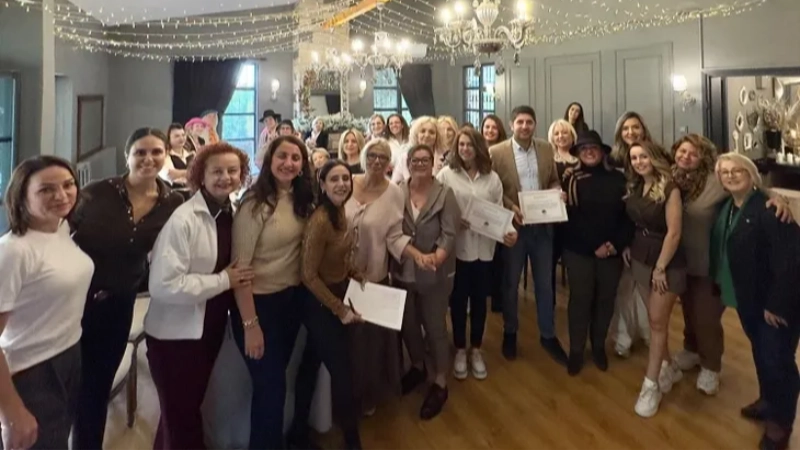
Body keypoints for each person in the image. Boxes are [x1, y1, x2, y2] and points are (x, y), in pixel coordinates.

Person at [71, 128, 184, 450]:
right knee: (64, 387)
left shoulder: (172, 202)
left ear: (166, 155)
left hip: (119, 304)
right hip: (75, 301)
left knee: (97, 387)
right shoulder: (96, 193)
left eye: (156, 152)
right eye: (140, 152)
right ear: (127, 156)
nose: (148, 159)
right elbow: (60, 230)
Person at [144, 143, 254, 450]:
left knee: (180, 411)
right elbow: (163, 285)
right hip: (174, 336)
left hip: (208, 328)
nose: (225, 177)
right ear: (200, 176)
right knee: (182, 415)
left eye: (232, 171)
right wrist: (223, 280)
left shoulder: (229, 212)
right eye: (216, 171)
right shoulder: (184, 220)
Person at [0, 156, 94, 450]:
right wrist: (11, 412)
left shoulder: (60, 230)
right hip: (31, 370)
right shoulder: (14, 251)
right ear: (22, 196)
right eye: (46, 190)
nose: (62, 195)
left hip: (68, 353)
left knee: (56, 439)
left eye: (68, 185)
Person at [710, 153, 800, 450]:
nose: (731, 175)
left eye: (738, 170)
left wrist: (777, 304)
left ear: (752, 175)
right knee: (761, 353)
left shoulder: (771, 210)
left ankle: (780, 425)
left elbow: (792, 260)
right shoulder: (727, 207)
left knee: (778, 361)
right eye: (725, 172)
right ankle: (767, 401)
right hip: (747, 299)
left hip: (775, 304)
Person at [231, 135, 315, 450]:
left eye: (295, 158)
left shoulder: (301, 198)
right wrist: (250, 325)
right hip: (258, 306)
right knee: (271, 389)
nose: (288, 163)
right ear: (269, 160)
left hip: (289, 303)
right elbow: (240, 270)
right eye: (282, 156)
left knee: (276, 384)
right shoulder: (255, 204)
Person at [345, 139, 428, 416]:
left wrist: (417, 255)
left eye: (383, 156)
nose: (377, 160)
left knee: (367, 345)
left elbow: (394, 235)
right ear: (364, 156)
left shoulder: (394, 193)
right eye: (372, 155)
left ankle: (367, 395)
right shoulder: (347, 182)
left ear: (390, 162)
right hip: (338, 277)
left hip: (372, 277)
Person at [436, 128, 517, 381]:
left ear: (479, 147)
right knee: (459, 300)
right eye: (461, 144)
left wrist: (510, 232)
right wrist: (453, 221)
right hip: (458, 249)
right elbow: (437, 208)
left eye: (470, 145)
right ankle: (460, 349)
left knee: (481, 301)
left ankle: (477, 349)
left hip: (485, 249)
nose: (465, 149)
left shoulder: (491, 178)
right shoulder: (446, 175)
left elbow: (500, 211)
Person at [489, 105, 566, 364]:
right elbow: (494, 189)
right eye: (520, 122)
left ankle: (548, 334)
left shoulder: (545, 148)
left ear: (535, 124)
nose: (524, 126)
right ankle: (510, 332)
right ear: (512, 125)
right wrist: (511, 207)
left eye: (529, 122)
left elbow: (553, 179)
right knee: (510, 283)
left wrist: (556, 191)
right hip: (514, 227)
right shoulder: (496, 152)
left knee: (544, 284)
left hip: (542, 228)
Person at [295, 160, 363, 450]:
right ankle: (352, 441)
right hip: (319, 303)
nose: (342, 184)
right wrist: (339, 308)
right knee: (343, 374)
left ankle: (297, 431)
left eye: (346, 178)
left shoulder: (341, 211)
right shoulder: (320, 220)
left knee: (310, 366)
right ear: (322, 185)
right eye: (334, 179)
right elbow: (308, 275)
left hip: (335, 294)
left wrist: (352, 272)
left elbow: (336, 258)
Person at [394, 144, 460, 420]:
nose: (420, 164)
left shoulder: (445, 193)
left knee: (435, 328)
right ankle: (418, 367)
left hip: (435, 272)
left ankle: (440, 382)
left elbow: (450, 232)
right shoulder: (397, 191)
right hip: (402, 271)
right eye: (415, 160)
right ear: (408, 163)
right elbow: (391, 228)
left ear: (433, 163)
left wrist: (437, 257)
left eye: (425, 160)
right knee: (408, 325)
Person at [560, 130, 632, 375]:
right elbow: (571, 218)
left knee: (605, 300)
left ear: (602, 152)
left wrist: (615, 244)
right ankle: (576, 350)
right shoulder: (571, 178)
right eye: (583, 149)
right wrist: (595, 246)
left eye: (593, 148)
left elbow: (628, 216)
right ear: (578, 154)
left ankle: (598, 346)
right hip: (579, 251)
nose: (589, 152)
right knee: (580, 300)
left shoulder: (619, 179)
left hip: (612, 252)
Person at [624, 141, 685, 418]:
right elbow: (633, 221)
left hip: (666, 260)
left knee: (658, 322)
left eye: (643, 156)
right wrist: (628, 245)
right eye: (634, 158)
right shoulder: (636, 185)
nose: (639, 162)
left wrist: (661, 267)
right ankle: (668, 366)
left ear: (655, 158)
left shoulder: (670, 188)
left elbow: (674, 232)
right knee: (652, 319)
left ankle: (650, 386)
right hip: (639, 255)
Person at [610, 111, 654, 357]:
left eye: (635, 127)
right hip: (623, 231)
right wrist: (622, 241)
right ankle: (623, 338)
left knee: (646, 289)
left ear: (643, 129)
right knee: (625, 289)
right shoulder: (613, 160)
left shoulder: (655, 156)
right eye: (625, 128)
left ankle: (648, 333)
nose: (630, 132)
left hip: (650, 232)